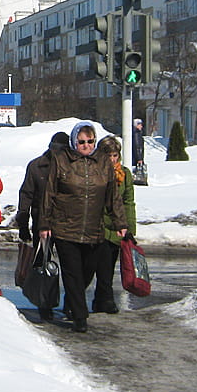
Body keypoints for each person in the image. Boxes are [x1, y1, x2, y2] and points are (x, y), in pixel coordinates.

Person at [40, 121, 125, 333]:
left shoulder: (103, 163)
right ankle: (80, 316)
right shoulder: (62, 161)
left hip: (93, 229)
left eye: (90, 141)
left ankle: (72, 303)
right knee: (72, 273)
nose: (86, 145)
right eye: (81, 142)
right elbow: (49, 194)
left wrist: (119, 221)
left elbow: (112, 195)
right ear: (73, 141)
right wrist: (44, 223)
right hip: (65, 227)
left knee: (87, 271)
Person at [85, 135, 137, 315]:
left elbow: (128, 202)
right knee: (94, 266)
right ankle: (100, 299)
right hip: (97, 226)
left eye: (115, 155)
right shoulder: (93, 171)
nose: (112, 159)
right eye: (109, 155)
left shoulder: (124, 174)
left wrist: (129, 228)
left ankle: (103, 299)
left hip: (116, 227)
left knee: (108, 266)